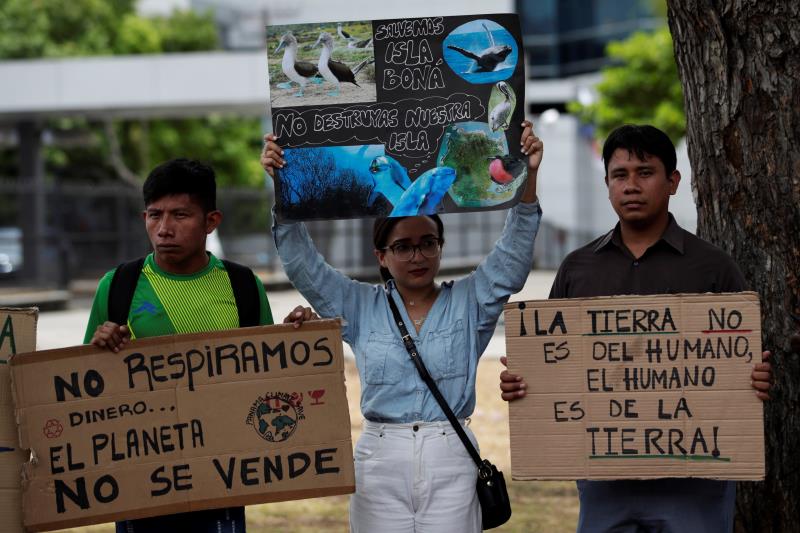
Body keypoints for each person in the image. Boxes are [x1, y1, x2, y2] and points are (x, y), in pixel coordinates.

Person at [261, 121, 543, 532]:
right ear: (381, 256)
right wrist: (282, 184)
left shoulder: (471, 301)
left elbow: (513, 258)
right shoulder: (358, 304)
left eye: (428, 243)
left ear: (440, 247)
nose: (417, 256)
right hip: (379, 462)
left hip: (451, 456)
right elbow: (304, 266)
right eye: (403, 247)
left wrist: (530, 175)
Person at [499, 124, 773, 533]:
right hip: (605, 482)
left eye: (645, 172)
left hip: (695, 485)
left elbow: (744, 361)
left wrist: (758, 378)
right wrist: (524, 383)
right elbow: (553, 364)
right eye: (619, 175)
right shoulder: (577, 268)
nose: (631, 185)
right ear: (607, 184)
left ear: (673, 182)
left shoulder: (713, 267)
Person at [84, 158, 313, 532]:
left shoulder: (243, 286)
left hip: (222, 482)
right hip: (141, 486)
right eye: (154, 215)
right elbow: (84, 390)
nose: (164, 229)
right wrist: (99, 346)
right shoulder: (118, 285)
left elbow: (267, 385)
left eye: (180, 215)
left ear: (212, 221)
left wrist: (296, 340)